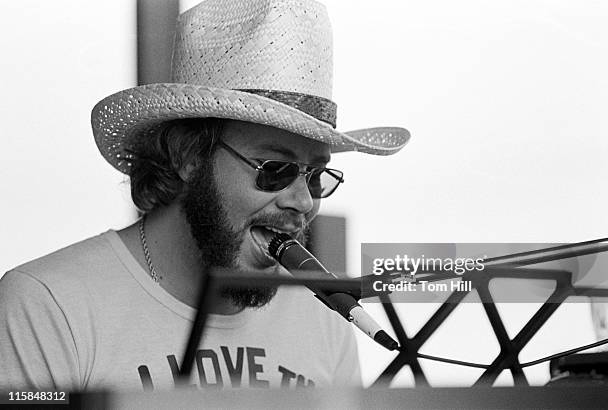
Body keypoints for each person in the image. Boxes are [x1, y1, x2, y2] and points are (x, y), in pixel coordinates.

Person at [0, 0, 409, 391]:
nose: (302, 201)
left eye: (317, 175)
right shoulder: (48, 306)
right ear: (188, 156)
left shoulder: (326, 320)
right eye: (275, 170)